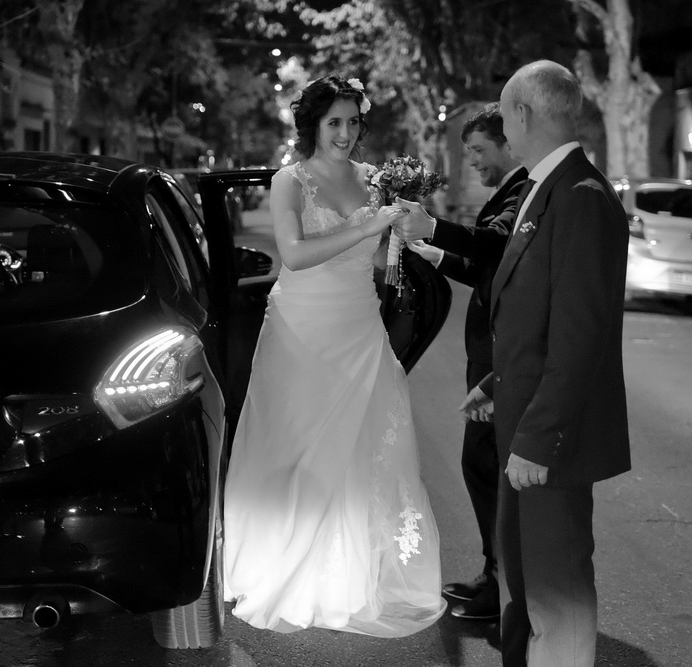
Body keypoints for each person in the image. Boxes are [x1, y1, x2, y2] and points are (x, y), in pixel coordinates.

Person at [223, 74, 446, 636]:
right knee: (296, 445)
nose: (345, 134)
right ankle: (283, 565)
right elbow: (294, 256)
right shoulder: (288, 181)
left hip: (358, 321)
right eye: (334, 123)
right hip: (301, 328)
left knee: (360, 448)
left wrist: (404, 235)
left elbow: (379, 261)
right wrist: (369, 223)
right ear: (313, 127)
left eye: (353, 122)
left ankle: (350, 575)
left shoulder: (375, 181)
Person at [459, 60, 630, 665]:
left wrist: (537, 438)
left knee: (557, 598)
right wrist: (494, 384)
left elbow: (579, 337)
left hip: (546, 440)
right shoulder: (549, 186)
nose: (503, 128)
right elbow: (537, 319)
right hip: (523, 418)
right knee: (524, 589)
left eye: (504, 114)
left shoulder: (580, 197)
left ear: (524, 113)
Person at [392, 102, 528, 622]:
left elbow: (495, 243)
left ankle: (502, 585)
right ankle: (495, 576)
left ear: (506, 144)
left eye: (477, 150)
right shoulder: (509, 190)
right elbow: (487, 268)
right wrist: (440, 258)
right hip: (487, 357)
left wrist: (433, 227)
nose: (470, 160)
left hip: (501, 359)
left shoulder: (522, 191)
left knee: (488, 467)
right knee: (482, 466)